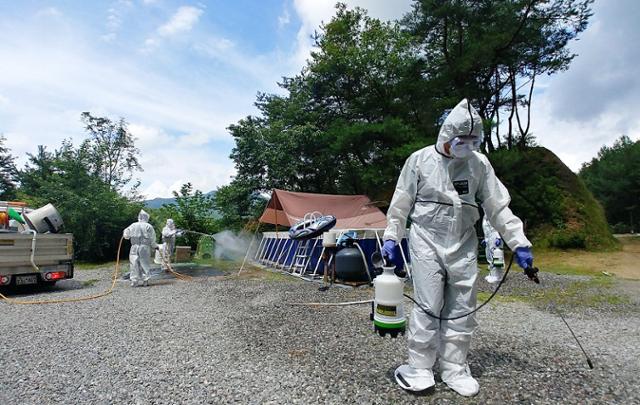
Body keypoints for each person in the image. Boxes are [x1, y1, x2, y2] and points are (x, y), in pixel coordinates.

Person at [382, 99, 534, 397]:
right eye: (460, 141)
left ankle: (455, 366)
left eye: (473, 141)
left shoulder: (479, 164)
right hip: (426, 239)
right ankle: (419, 366)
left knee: (462, 307)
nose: (466, 146)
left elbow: (497, 206)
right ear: (445, 137)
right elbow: (400, 205)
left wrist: (520, 243)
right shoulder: (420, 160)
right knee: (429, 305)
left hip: (464, 241)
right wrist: (391, 236)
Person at [123, 209, 158, 287]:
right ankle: (145, 281)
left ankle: (134, 281)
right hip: (144, 247)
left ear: (139, 217)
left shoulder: (133, 225)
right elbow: (152, 238)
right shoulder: (149, 226)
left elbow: (126, 233)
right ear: (146, 218)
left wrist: (126, 235)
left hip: (134, 247)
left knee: (134, 263)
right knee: (144, 263)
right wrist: (155, 246)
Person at [482, 216, 504, 284]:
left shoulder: (494, 209)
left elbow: (499, 223)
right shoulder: (485, 213)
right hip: (489, 236)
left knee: (497, 255)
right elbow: (486, 227)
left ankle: (498, 276)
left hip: (495, 235)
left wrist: (498, 236)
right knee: (489, 255)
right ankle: (492, 274)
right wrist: (485, 238)